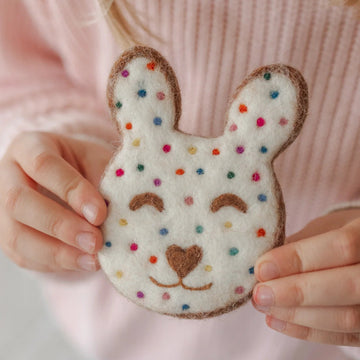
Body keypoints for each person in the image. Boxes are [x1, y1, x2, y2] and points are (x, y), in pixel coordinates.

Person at [0, 0, 359, 359]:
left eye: (228, 213)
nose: (182, 256)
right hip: (115, 331)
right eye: (148, 205)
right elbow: (17, 71)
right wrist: (55, 167)